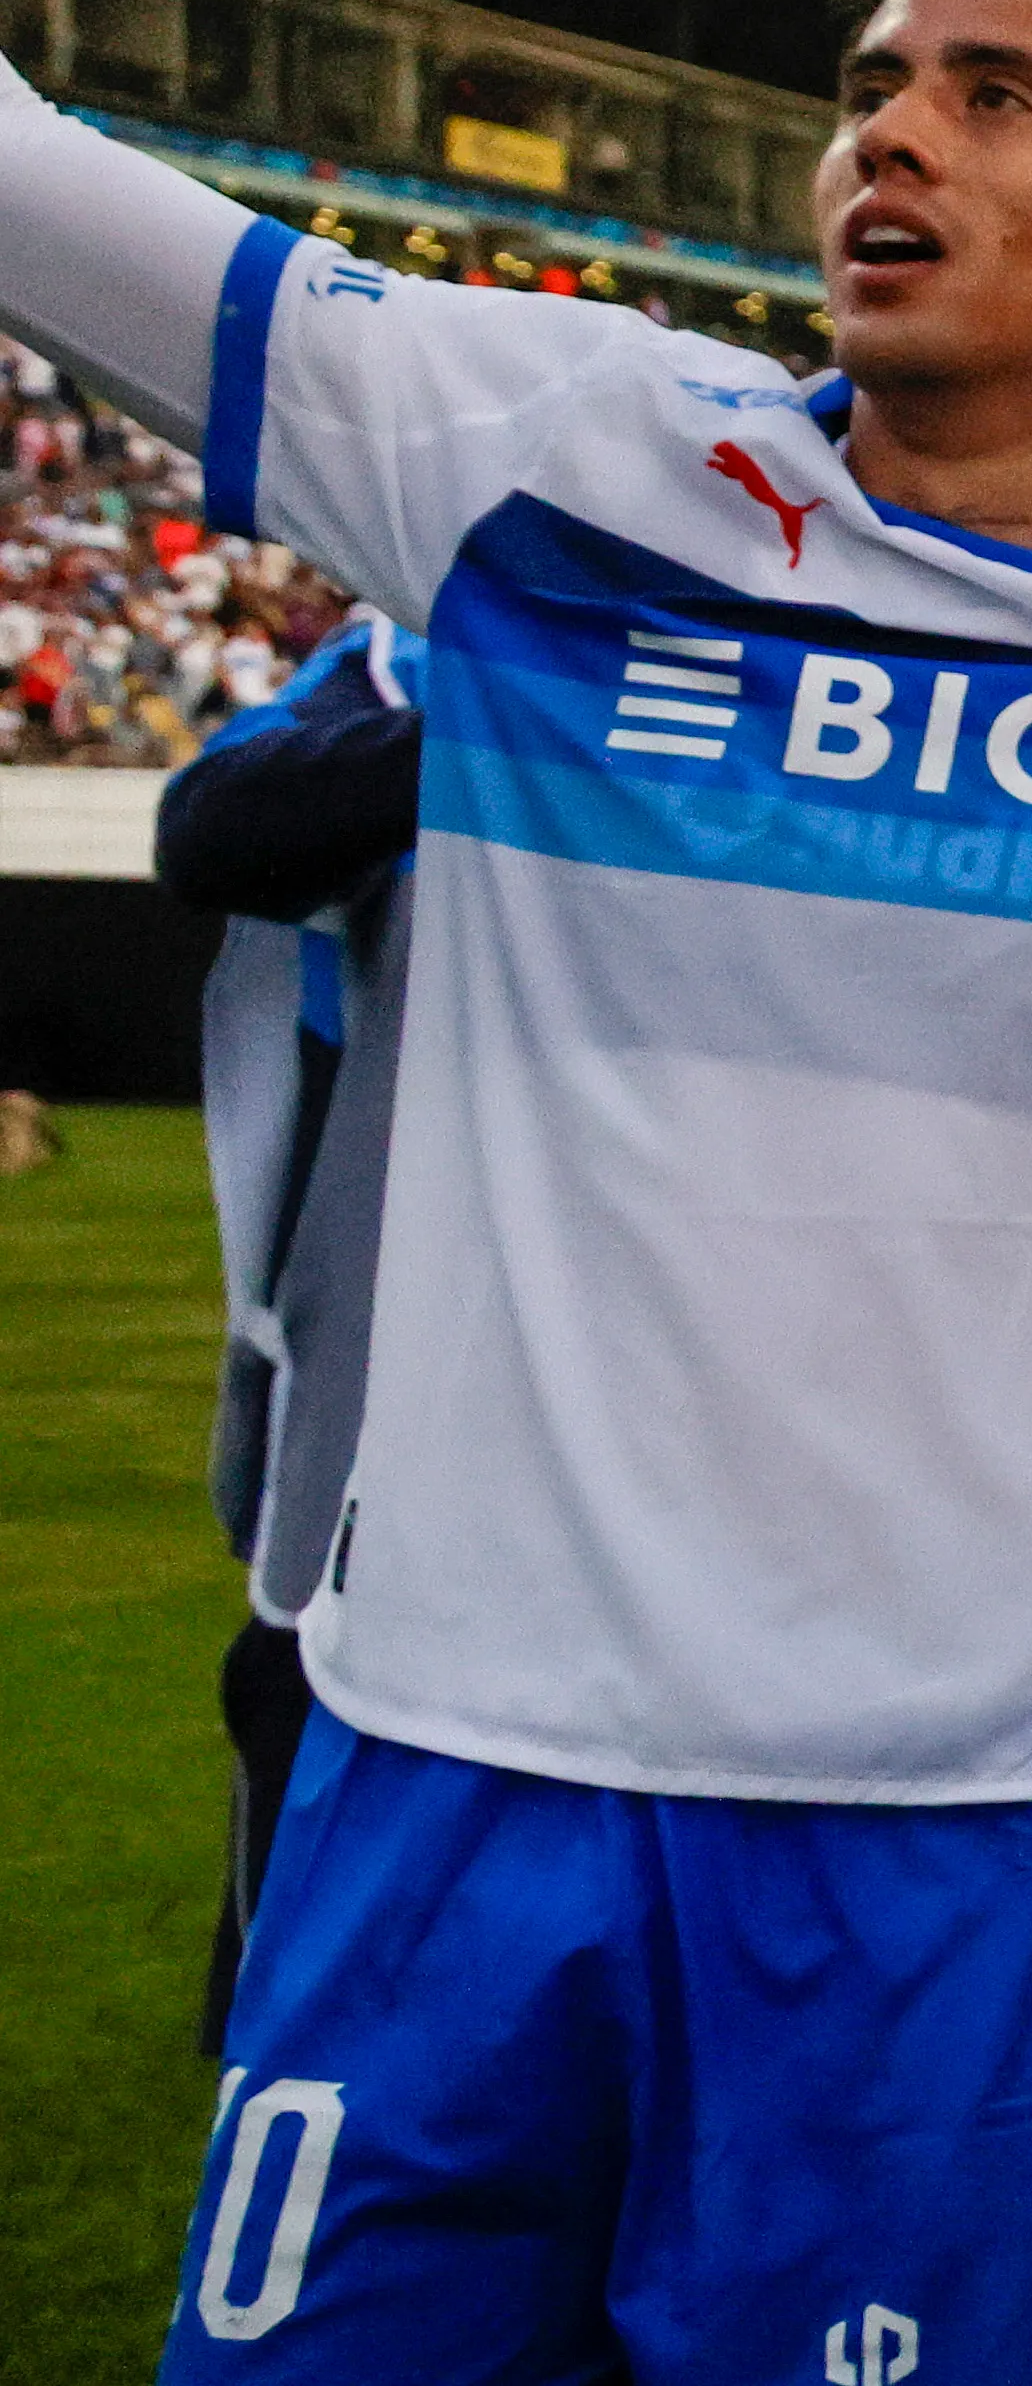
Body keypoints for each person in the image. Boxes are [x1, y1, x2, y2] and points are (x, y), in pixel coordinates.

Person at [0, 0, 1032, 2381]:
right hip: (455, 1756)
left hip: (980, 1819)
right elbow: (50, 188)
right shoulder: (558, 469)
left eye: (989, 93)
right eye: (870, 92)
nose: (888, 139)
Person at [158, 609, 422, 2057]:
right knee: (319, 1682)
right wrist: (557, 717)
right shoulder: (431, 661)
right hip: (398, 1376)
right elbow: (216, 831)